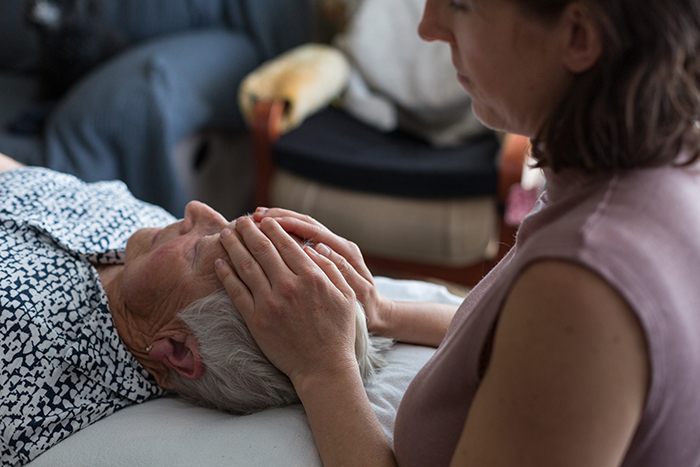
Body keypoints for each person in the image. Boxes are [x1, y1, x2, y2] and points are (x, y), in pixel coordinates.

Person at [212, 0, 700, 465]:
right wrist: (383, 312)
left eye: (462, 4)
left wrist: (321, 369)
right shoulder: (649, 162)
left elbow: (559, 333)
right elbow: (522, 346)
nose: (429, 26)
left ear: (578, 36)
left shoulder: (583, 284)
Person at [0, 153, 389, 467]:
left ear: (180, 351)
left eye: (201, 247)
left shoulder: (25, 347)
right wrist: (383, 312)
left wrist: (326, 368)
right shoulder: (148, 261)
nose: (196, 209)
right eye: (230, 222)